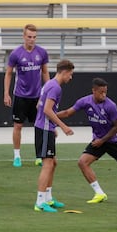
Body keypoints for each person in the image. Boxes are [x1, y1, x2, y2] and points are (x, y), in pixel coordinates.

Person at [3, 24, 50, 167]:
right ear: (24, 36)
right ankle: (17, 156)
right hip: (20, 95)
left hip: (37, 97)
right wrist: (6, 93)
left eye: (34, 37)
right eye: (29, 37)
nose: (32, 40)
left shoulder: (42, 52)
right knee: (18, 126)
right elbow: (9, 73)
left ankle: (39, 156)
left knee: (40, 126)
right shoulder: (16, 53)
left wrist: (48, 92)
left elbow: (45, 72)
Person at [33, 60, 75, 213]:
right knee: (48, 164)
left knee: (53, 163)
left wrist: (51, 127)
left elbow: (39, 105)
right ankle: (39, 202)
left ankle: (48, 198)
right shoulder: (55, 87)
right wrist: (62, 126)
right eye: (70, 75)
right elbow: (47, 110)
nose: (70, 78)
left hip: (45, 128)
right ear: (64, 72)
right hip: (43, 129)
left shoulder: (49, 84)